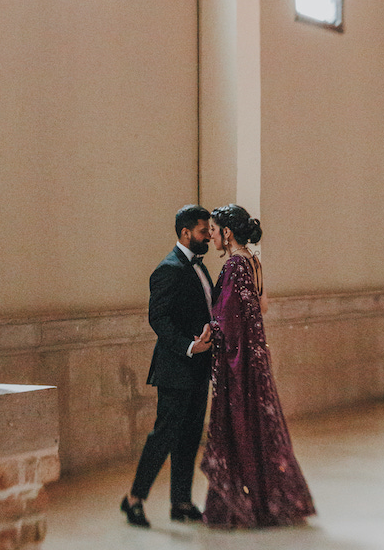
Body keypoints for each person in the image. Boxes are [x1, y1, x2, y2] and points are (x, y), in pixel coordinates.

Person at [200, 204, 316, 528]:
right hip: (255, 356)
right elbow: (262, 305)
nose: (210, 235)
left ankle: (245, 506)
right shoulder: (253, 262)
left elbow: (229, 319)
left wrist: (213, 329)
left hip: (240, 361)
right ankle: (267, 501)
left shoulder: (235, 264)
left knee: (241, 425)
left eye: (214, 229)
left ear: (227, 232)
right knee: (257, 425)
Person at [121, 204, 214, 528]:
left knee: (190, 437)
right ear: (186, 232)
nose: (208, 236)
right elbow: (157, 318)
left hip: (200, 367)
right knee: (164, 436)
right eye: (204, 231)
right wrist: (189, 346)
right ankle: (134, 499)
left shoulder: (200, 268)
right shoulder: (168, 268)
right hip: (176, 368)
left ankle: (181, 502)